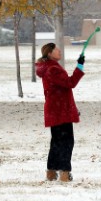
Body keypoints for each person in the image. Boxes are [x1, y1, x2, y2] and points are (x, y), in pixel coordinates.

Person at [35, 42, 85, 182]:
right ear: (50, 53)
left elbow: (62, 88)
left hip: (55, 109)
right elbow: (70, 83)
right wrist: (79, 66)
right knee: (67, 142)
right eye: (57, 49)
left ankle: (51, 172)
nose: (59, 50)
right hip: (60, 110)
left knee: (57, 141)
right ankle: (64, 173)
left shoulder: (48, 67)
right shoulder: (52, 69)